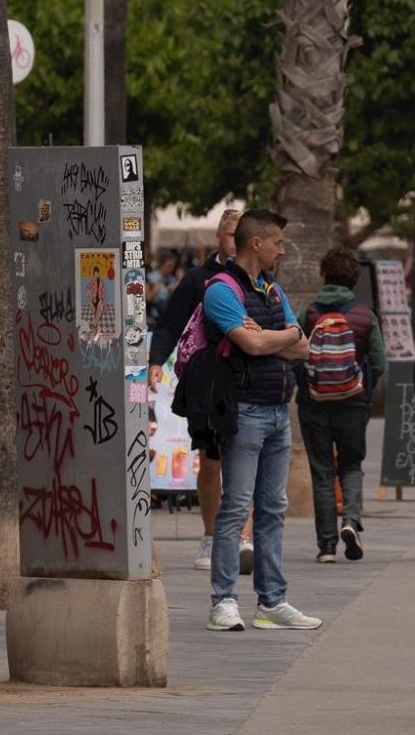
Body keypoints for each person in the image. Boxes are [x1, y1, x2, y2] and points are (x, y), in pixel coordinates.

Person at [205, 209, 320, 632]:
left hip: (277, 411)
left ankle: (271, 601)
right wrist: (283, 336)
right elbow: (251, 344)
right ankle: (223, 601)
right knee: (235, 507)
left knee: (273, 507)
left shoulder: (271, 290)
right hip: (245, 410)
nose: (282, 249)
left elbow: (303, 349)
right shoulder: (222, 290)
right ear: (257, 243)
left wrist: (278, 338)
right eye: (278, 242)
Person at [148, 210, 255, 574]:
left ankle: (243, 537)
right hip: (207, 380)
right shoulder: (198, 279)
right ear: (219, 237)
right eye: (229, 234)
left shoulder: (260, 279)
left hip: (246, 379)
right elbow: (169, 325)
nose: (234, 240)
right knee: (210, 459)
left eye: (240, 234)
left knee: (244, 456)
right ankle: (211, 535)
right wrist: (155, 362)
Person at [297, 247, 386, 563]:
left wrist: (307, 386)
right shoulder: (365, 316)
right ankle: (351, 520)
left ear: (325, 275)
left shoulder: (310, 314)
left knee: (322, 471)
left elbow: (296, 354)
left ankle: (326, 546)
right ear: (354, 279)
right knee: (350, 465)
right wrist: (361, 388)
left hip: (314, 404)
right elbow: (378, 362)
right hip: (353, 404)